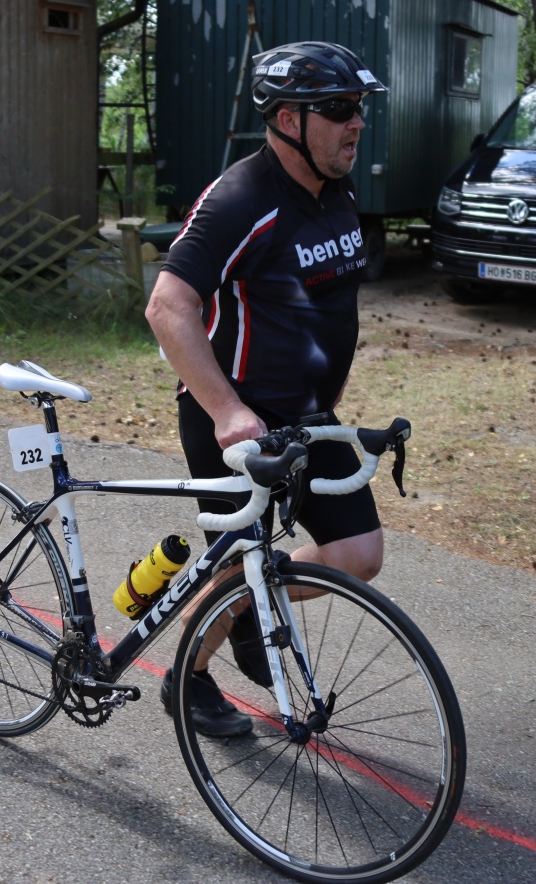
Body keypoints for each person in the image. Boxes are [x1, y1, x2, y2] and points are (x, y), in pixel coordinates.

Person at [144, 41, 388, 737]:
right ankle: (187, 680)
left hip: (308, 416)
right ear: (287, 120)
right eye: (338, 109)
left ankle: (247, 601)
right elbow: (168, 306)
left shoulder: (335, 190)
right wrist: (227, 412)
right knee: (237, 561)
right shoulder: (240, 199)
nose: (356, 122)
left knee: (358, 555)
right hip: (236, 423)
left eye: (359, 108)